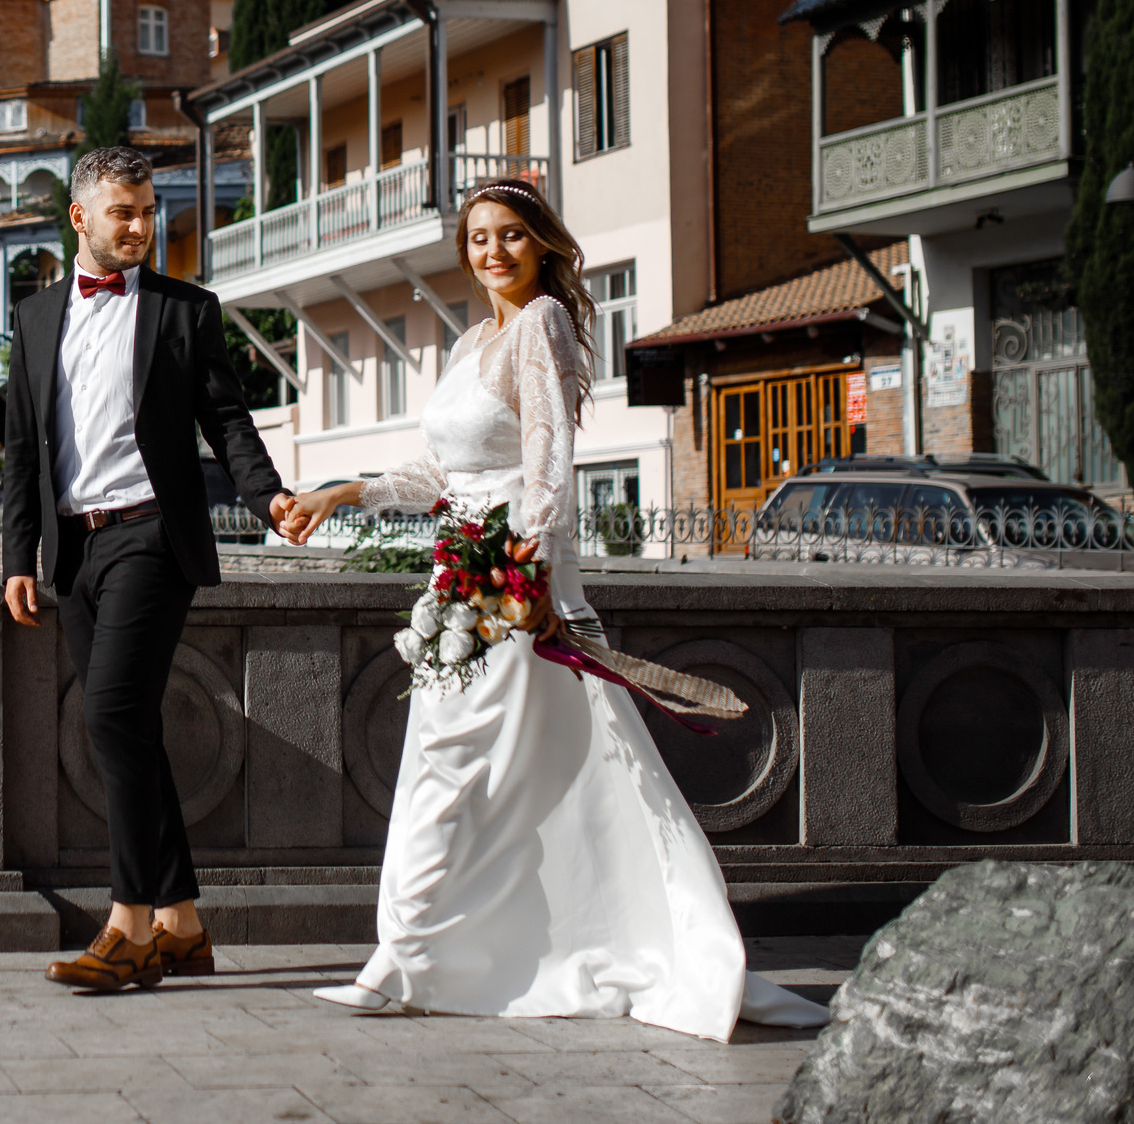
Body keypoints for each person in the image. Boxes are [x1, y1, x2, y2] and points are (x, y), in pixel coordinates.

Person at [279, 179, 827, 1041]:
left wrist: (529, 573)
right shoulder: (472, 343)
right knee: (484, 764)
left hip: (512, 581)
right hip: (462, 576)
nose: (492, 251)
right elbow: (442, 474)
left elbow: (548, 456)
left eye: (510, 234)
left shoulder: (541, 322)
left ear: (541, 242)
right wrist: (344, 490)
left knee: (457, 758)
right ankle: (436, 954)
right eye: (478, 238)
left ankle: (410, 959)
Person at [1, 145, 292, 991]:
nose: (139, 226)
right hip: (74, 547)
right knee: (127, 729)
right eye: (122, 212)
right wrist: (19, 554)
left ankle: (128, 924)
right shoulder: (33, 316)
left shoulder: (184, 310)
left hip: (152, 535)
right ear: (80, 218)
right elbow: (21, 446)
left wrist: (268, 497)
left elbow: (226, 420)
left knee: (111, 712)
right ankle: (184, 924)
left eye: (148, 211)